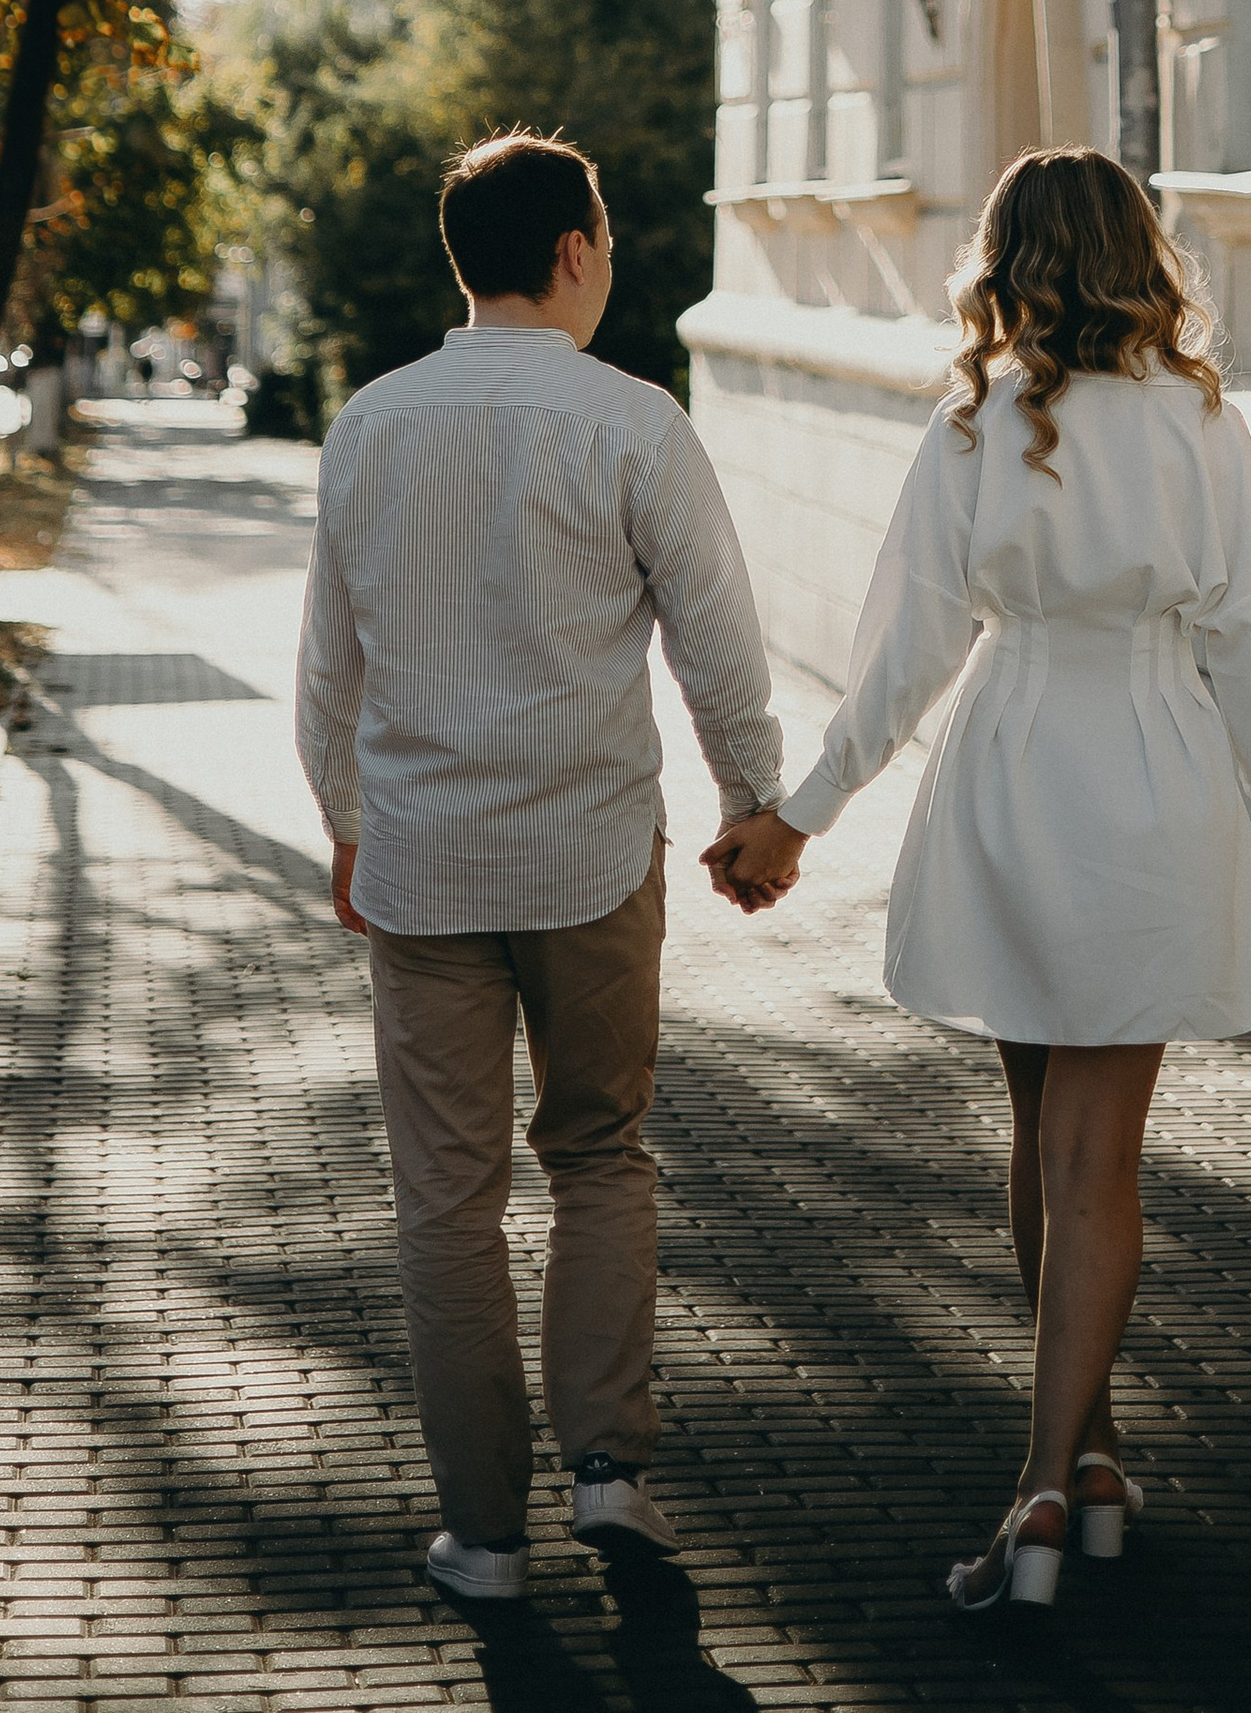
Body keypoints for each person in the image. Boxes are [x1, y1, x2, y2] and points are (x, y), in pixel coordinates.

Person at [704, 146, 1251, 1616]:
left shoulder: (977, 421)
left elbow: (907, 646)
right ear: (1141, 256)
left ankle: (1077, 1459)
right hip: (1153, 774)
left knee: (1038, 1134)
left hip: (1008, 769)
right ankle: (1060, 1477)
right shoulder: (1201, 422)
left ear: (1007, 262)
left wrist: (802, 814)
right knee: (1093, 1155)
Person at [294, 129, 787, 1607]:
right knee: (599, 1157)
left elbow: (330, 669)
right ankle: (611, 1472)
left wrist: (346, 824)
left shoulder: (372, 424)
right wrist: (755, 801)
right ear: (572, 253)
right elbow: (717, 633)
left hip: (426, 868)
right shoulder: (633, 423)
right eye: (612, 243)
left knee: (446, 1205)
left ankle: (486, 1541)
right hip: (587, 857)